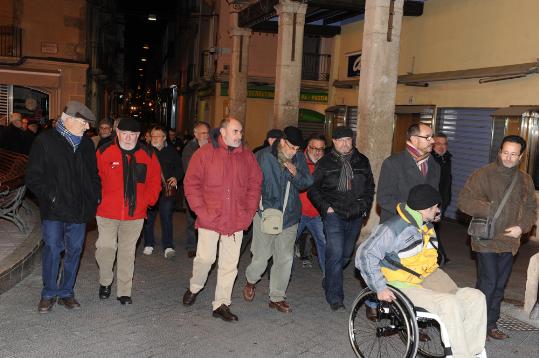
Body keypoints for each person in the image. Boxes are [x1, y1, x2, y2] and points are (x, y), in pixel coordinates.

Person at [356, 184, 487, 358]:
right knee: (449, 304)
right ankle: (461, 355)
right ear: (424, 209)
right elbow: (365, 255)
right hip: (403, 283)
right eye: (435, 207)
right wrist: (380, 287)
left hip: (429, 277)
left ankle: (473, 351)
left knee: (476, 297)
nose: (438, 210)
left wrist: (432, 217)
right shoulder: (393, 228)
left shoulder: (424, 223)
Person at [182, 117, 262, 322]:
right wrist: (202, 211)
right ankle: (195, 286)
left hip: (235, 219)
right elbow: (191, 184)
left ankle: (221, 303)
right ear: (223, 132)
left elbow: (255, 184)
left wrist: (248, 213)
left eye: (241, 132)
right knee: (205, 259)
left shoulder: (247, 156)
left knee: (229, 265)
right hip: (210, 218)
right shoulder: (204, 153)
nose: (240, 135)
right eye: (236, 131)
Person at [458, 135, 537, 340]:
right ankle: (477, 325)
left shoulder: (525, 180)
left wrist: (522, 227)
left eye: (513, 154)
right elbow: (463, 201)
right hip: (485, 238)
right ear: (499, 152)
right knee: (489, 282)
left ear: (520, 156)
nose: (508, 158)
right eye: (505, 153)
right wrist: (490, 209)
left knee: (499, 285)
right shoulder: (483, 174)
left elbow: (530, 207)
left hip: (510, 241)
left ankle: (489, 323)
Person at [26, 101, 101, 313]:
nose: (88, 128)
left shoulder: (86, 145)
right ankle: (49, 292)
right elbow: (33, 177)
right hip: (55, 209)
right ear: (67, 119)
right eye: (84, 123)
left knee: (75, 250)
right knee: (52, 248)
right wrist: (51, 197)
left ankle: (66, 292)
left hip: (79, 209)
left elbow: (93, 175)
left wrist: (95, 196)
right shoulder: (45, 140)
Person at [243, 126, 313, 313]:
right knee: (261, 257)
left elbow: (307, 182)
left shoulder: (298, 158)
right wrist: (253, 208)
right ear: (282, 141)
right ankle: (251, 280)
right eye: (291, 147)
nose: (294, 151)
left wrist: (295, 173)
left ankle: (277, 297)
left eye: (297, 149)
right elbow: (250, 182)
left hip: (289, 217)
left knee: (285, 258)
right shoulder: (264, 156)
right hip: (266, 213)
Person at [95, 117, 161, 305]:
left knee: (127, 252)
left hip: (135, 214)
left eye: (133, 134)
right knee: (105, 247)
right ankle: (105, 281)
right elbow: (95, 177)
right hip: (107, 211)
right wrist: (97, 199)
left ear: (139, 136)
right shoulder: (104, 150)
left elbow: (155, 179)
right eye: (125, 133)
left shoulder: (148, 153)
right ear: (118, 133)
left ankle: (124, 291)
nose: (128, 138)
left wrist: (148, 200)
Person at [308, 127, 375, 310]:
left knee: (345, 255)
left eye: (348, 140)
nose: (344, 144)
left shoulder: (362, 161)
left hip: (355, 215)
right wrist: (325, 208)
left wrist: (364, 208)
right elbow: (313, 189)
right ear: (334, 142)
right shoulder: (325, 162)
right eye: (340, 140)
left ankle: (329, 278)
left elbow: (370, 187)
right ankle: (335, 298)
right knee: (335, 255)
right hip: (334, 215)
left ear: (352, 140)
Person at [377, 123, 440, 223]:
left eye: (432, 137)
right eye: (427, 137)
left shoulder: (434, 165)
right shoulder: (393, 163)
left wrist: (435, 211)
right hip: (398, 223)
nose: (432, 141)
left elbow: (434, 194)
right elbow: (384, 198)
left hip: (423, 226)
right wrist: (411, 213)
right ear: (414, 139)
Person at [142, 125, 183, 258]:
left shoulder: (171, 151)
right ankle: (149, 243)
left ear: (164, 137)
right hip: (150, 190)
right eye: (152, 136)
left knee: (166, 218)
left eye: (157, 136)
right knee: (148, 219)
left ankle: (168, 245)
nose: (154, 139)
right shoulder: (146, 151)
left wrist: (176, 177)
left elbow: (180, 168)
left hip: (166, 191)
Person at [295, 133, 327, 270]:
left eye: (321, 149)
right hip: (298, 214)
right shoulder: (297, 160)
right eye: (314, 148)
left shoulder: (327, 164)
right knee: (286, 245)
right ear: (307, 148)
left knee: (324, 244)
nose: (317, 152)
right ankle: (283, 278)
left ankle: (329, 279)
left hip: (317, 214)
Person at [181, 121, 210, 258]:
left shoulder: (212, 147)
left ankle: (205, 247)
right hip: (194, 190)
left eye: (207, 133)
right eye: (202, 133)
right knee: (191, 219)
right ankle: (191, 246)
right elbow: (189, 170)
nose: (205, 136)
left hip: (209, 191)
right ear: (195, 134)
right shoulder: (189, 149)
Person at [431, 133, 452, 265]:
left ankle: (439, 256)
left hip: (442, 201)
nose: (441, 147)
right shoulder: (430, 159)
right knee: (432, 230)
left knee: (435, 230)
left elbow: (447, 182)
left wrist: (446, 200)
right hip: (432, 202)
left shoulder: (447, 159)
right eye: (438, 143)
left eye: (444, 144)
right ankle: (438, 257)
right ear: (432, 145)